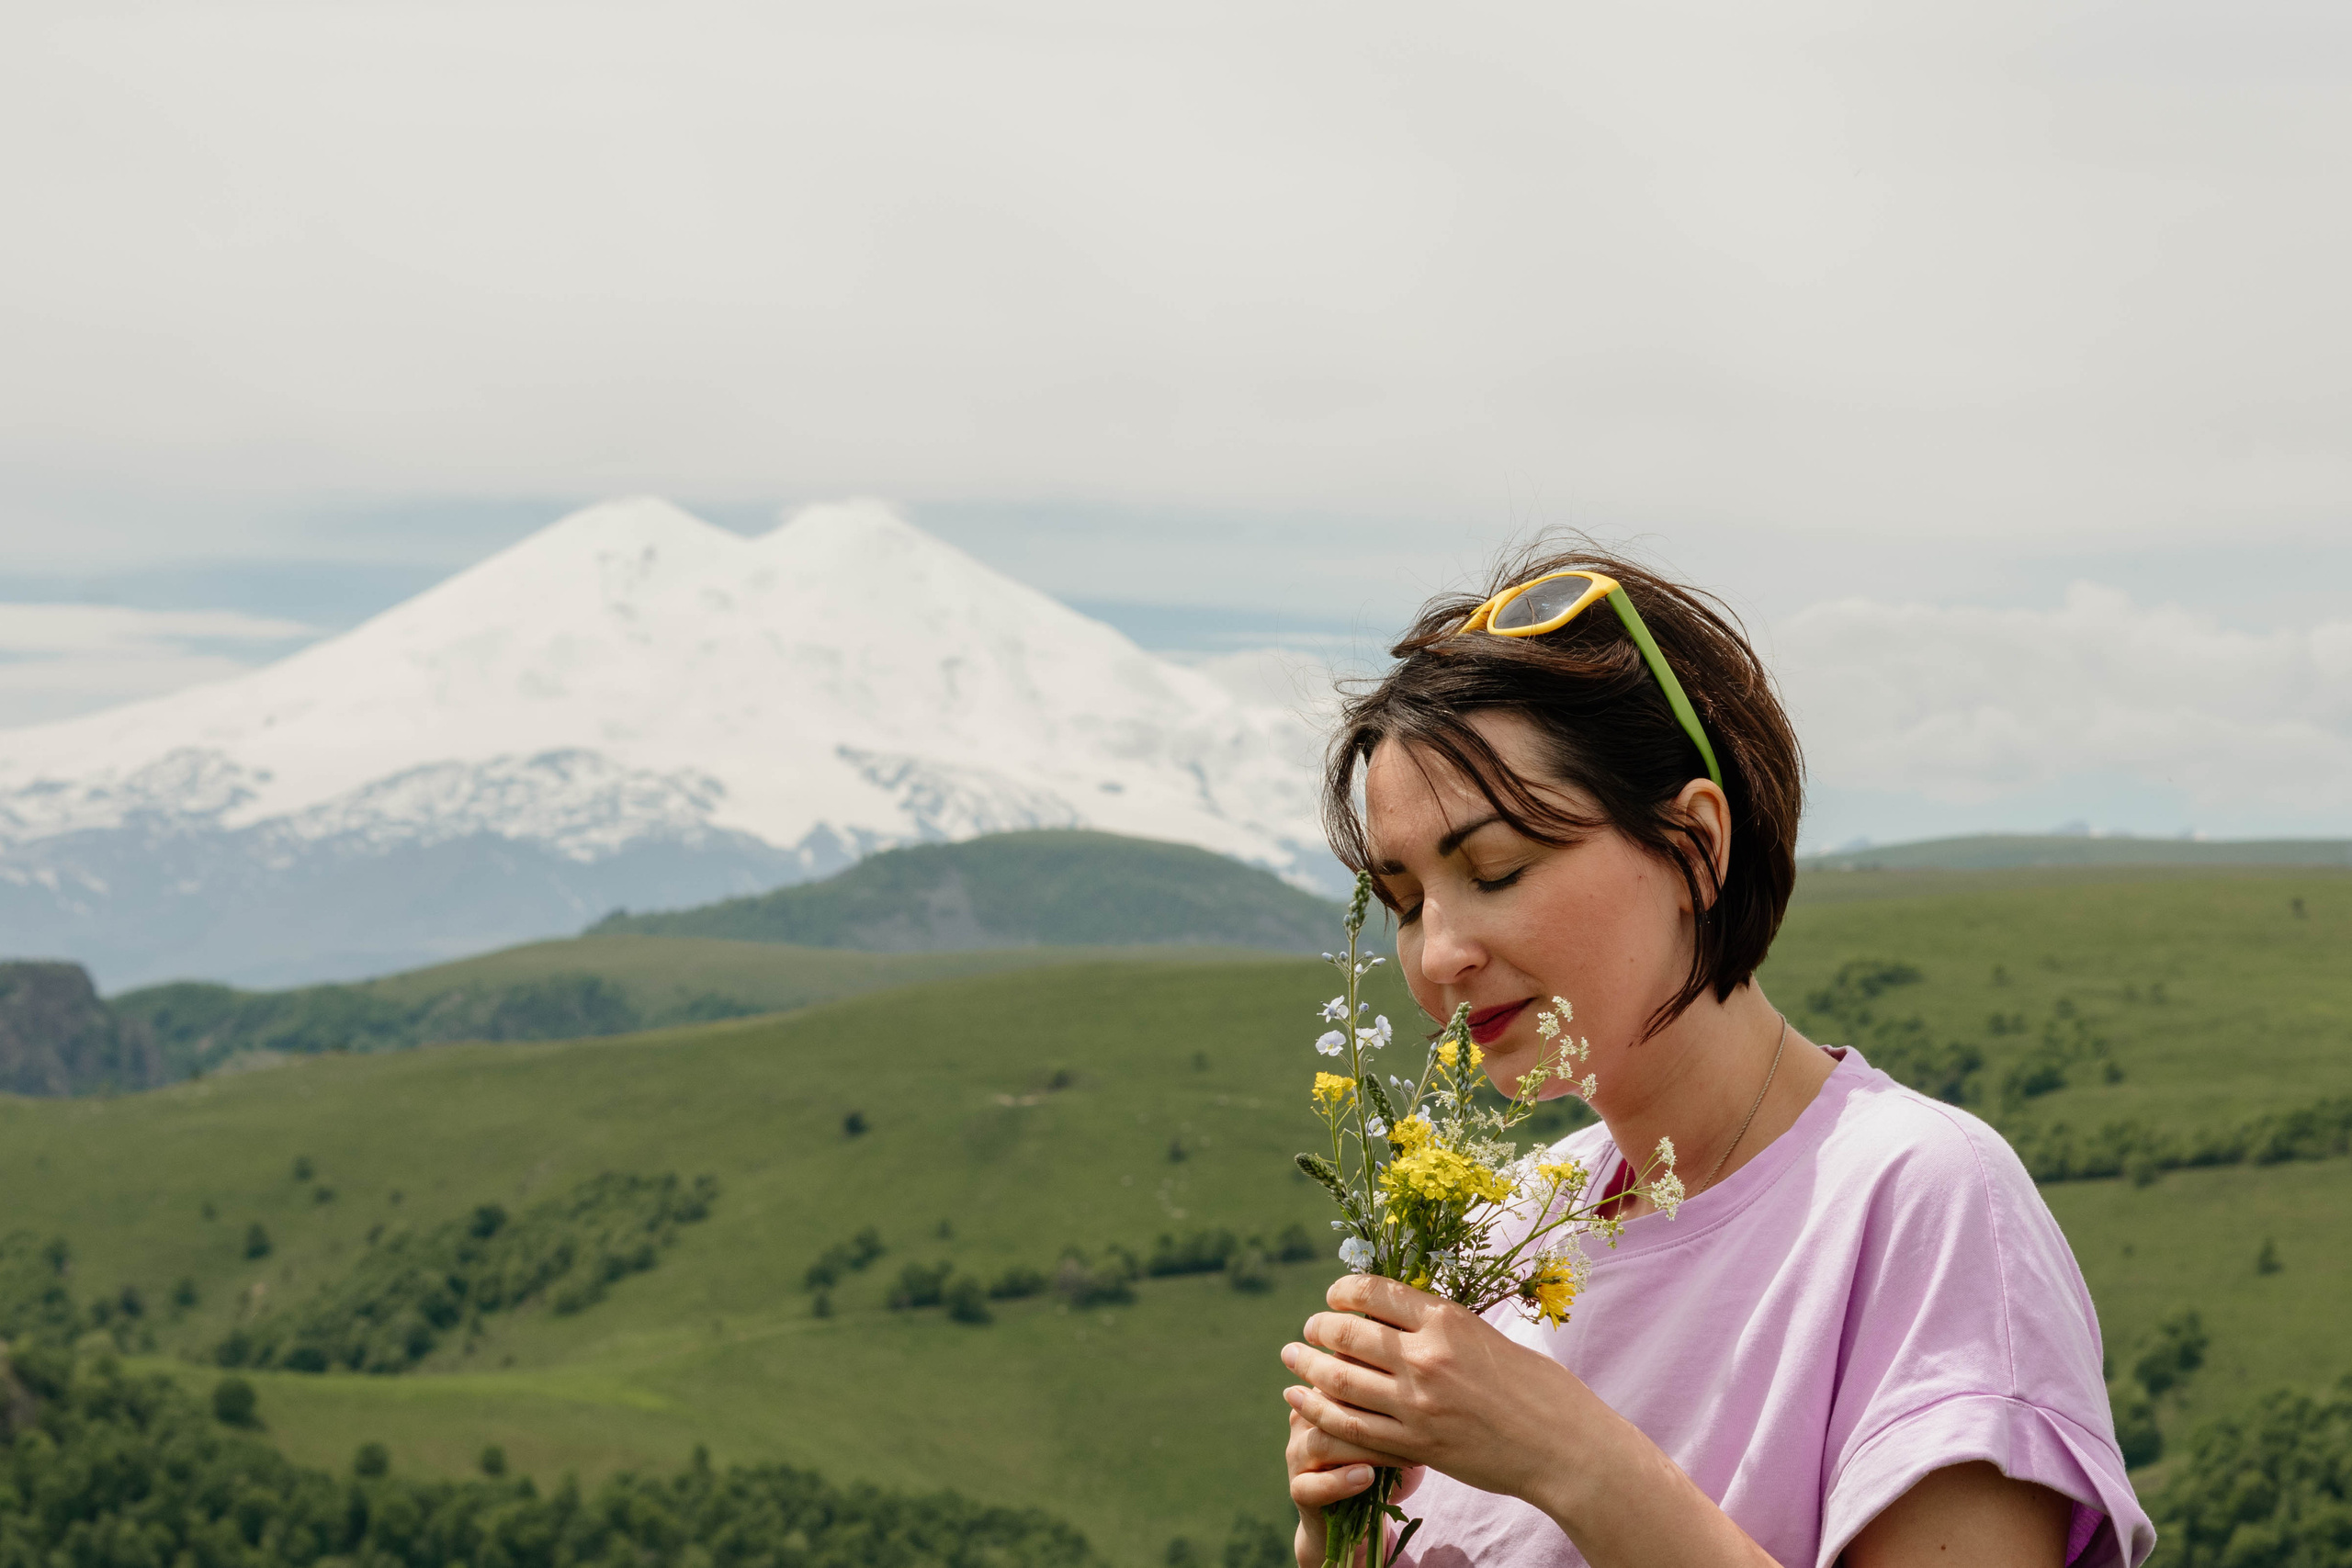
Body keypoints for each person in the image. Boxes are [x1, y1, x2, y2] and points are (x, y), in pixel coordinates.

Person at [1279, 547, 2152, 1568]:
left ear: (1694, 845)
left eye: (1498, 868)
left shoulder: (1918, 1198)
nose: (1439, 956)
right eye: (1404, 901)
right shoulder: (1498, 1230)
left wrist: (1570, 1455)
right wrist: (1340, 1539)